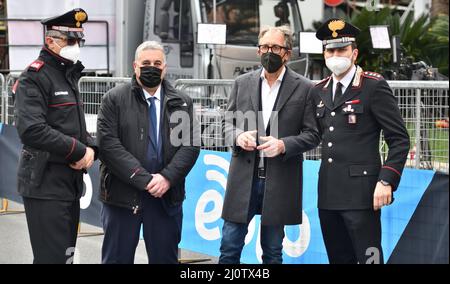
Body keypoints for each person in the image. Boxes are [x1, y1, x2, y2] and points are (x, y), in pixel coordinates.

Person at [311, 19, 410, 264]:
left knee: (369, 259)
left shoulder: (373, 86)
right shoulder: (319, 90)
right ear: (324, 55)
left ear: (354, 53)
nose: (335, 55)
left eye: (341, 50)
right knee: (338, 259)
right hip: (328, 193)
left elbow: (399, 139)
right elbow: (312, 134)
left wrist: (386, 180)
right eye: (330, 50)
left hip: (362, 194)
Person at [220, 25, 320, 264]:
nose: (269, 52)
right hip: (243, 178)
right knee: (229, 248)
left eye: (276, 47)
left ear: (288, 52)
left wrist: (284, 145)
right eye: (264, 47)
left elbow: (313, 134)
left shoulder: (305, 88)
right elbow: (226, 123)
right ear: (258, 51)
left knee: (273, 251)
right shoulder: (242, 82)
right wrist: (237, 136)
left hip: (280, 180)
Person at [97, 41, 200, 264]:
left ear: (165, 67)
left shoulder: (181, 102)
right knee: (117, 259)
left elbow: (190, 146)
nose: (151, 67)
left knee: (165, 259)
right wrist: (144, 180)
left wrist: (166, 178)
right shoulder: (114, 99)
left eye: (157, 63)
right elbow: (108, 145)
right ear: (135, 66)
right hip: (122, 196)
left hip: (165, 197)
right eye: (145, 63)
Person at [14, 8, 97, 264]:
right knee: (52, 259)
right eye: (70, 40)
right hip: (45, 183)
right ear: (50, 40)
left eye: (79, 41)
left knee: (66, 257)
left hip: (68, 185)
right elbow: (31, 129)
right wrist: (79, 151)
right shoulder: (34, 77)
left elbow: (73, 126)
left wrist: (92, 148)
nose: (76, 46)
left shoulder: (66, 74)